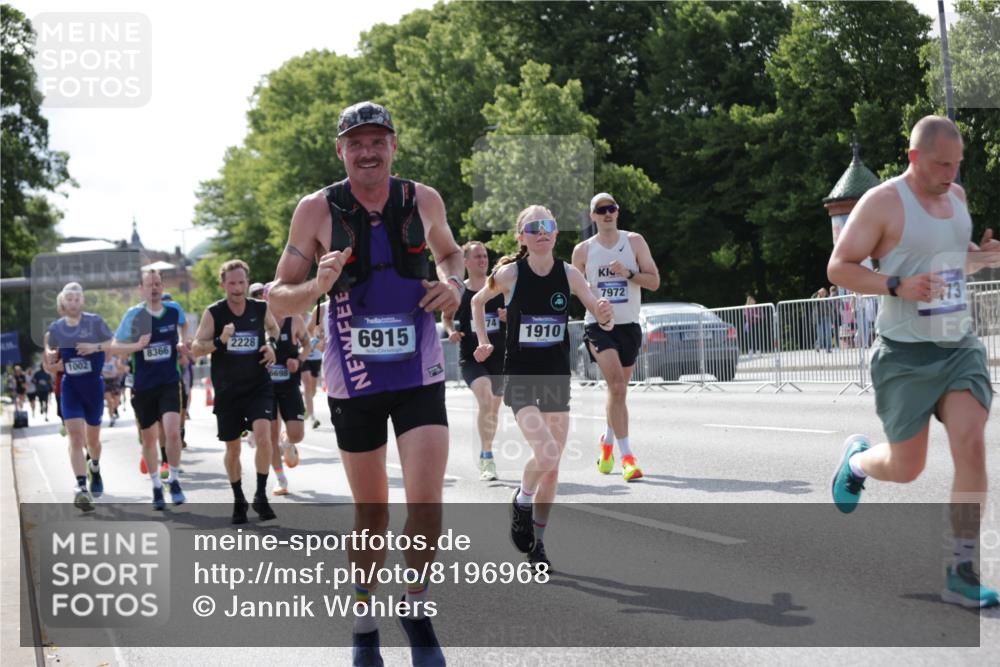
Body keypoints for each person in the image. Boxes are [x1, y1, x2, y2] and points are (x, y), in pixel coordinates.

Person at [268, 101, 464, 667]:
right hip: (353, 376)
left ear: (393, 145)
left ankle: (417, 606)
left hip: (418, 367)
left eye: (377, 140)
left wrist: (452, 284)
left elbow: (450, 254)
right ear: (341, 150)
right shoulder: (315, 211)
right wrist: (315, 288)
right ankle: (362, 614)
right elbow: (279, 295)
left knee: (426, 504)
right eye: (356, 142)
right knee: (373, 512)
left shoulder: (422, 199)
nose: (368, 151)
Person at [828, 115, 1000, 608]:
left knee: (971, 444)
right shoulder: (882, 203)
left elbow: (953, 256)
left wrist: (983, 257)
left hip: (958, 345)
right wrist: (897, 286)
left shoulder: (958, 197)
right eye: (943, 164)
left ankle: (961, 571)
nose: (951, 173)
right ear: (914, 158)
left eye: (957, 164)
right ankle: (858, 462)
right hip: (903, 353)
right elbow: (839, 266)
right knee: (907, 467)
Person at [473, 205, 613, 569]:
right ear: (521, 236)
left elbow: (595, 306)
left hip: (555, 375)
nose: (542, 232)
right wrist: (483, 340)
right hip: (520, 375)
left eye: (548, 225)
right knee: (547, 452)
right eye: (533, 227)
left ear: (555, 233)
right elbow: (476, 301)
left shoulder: (568, 273)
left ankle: (538, 543)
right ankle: (521, 499)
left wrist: (604, 315)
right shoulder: (508, 274)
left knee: (552, 466)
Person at [571, 193, 660, 482]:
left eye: (612, 208)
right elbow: (577, 290)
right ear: (593, 216)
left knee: (618, 392)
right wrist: (596, 307)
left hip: (629, 327)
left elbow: (654, 281)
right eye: (601, 209)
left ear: (617, 212)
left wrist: (630, 273)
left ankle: (607, 442)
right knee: (617, 386)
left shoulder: (634, 241)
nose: (608, 213)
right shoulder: (583, 251)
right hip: (598, 326)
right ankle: (628, 457)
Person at [192, 260, 280, 524]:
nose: (238, 288)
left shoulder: (260, 307)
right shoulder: (214, 313)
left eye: (242, 282)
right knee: (233, 449)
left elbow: (273, 329)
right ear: (223, 285)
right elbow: (196, 347)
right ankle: (239, 498)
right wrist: (220, 340)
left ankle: (261, 496)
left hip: (258, 385)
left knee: (264, 437)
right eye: (232, 283)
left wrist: (271, 345)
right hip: (228, 390)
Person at [100, 269, 188, 510]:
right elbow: (115, 347)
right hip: (144, 385)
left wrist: (182, 342)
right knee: (149, 439)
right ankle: (156, 486)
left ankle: (175, 481)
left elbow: (185, 325)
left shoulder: (174, 310)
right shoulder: (134, 315)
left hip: (170, 381)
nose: (155, 288)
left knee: (172, 431)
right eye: (149, 284)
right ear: (141, 288)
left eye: (158, 284)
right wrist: (136, 345)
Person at [44, 283, 114, 512]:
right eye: (69, 299)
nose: (73, 302)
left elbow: (112, 343)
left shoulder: (94, 322)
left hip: (93, 387)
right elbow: (49, 357)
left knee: (92, 442)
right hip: (70, 387)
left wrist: (94, 347)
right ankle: (82, 487)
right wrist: (51, 360)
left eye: (77, 299)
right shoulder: (57, 328)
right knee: (75, 438)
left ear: (81, 301)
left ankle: (94, 466)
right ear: (63, 303)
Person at [442, 241, 505, 481]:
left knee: (493, 410)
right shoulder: (460, 292)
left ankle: (485, 450)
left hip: (499, 356)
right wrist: (450, 331)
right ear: (465, 262)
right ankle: (487, 457)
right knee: (486, 398)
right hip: (471, 357)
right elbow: (446, 317)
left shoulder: (499, 287)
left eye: (485, 256)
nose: (482, 260)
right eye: (477, 256)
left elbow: (517, 312)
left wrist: (508, 316)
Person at [250, 282, 308, 496]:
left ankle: (289, 442)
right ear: (267, 300)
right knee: (269, 436)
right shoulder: (259, 322)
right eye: (273, 299)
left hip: (290, 385)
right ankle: (281, 479)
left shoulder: (295, 320)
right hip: (265, 387)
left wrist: (299, 360)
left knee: (297, 434)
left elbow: (307, 345)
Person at [303, 300, 326, 429]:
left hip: (316, 357)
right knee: (307, 384)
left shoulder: (314, 316)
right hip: (303, 357)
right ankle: (312, 418)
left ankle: (307, 406)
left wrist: (319, 339)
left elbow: (320, 333)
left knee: (312, 390)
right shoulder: (294, 318)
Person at [101, 353, 125, 426]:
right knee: (109, 401)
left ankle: (114, 410)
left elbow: (121, 370)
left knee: (116, 401)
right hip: (105, 381)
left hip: (114, 381)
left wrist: (116, 373)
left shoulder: (115, 360)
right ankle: (111, 418)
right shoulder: (101, 361)